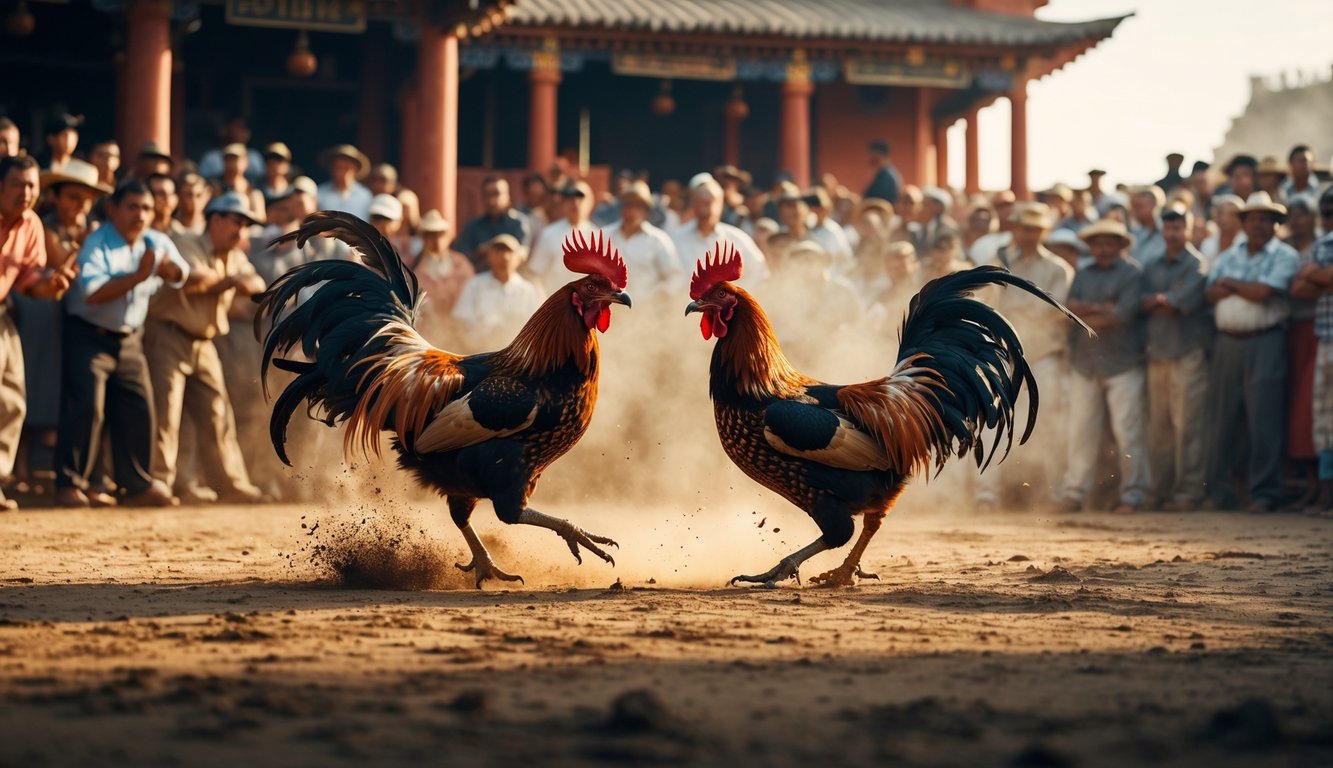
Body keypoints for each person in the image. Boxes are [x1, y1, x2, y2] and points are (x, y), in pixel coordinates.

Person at [55, 179, 193, 508]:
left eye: (146, 208)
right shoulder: (97, 242)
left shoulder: (156, 240)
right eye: (132, 207)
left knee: (138, 407)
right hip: (89, 335)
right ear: (113, 209)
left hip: (130, 338)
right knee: (87, 407)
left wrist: (168, 269)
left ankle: (135, 486)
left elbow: (181, 274)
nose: (141, 214)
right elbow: (92, 293)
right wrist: (138, 276)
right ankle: (71, 485)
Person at [149, 191, 267, 503]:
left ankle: (231, 484)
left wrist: (229, 279)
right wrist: (230, 281)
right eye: (235, 222)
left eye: (244, 224)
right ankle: (159, 481)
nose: (240, 230)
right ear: (214, 219)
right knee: (167, 412)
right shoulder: (187, 242)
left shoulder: (233, 255)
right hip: (168, 335)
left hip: (204, 342)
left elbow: (257, 285)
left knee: (218, 413)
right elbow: (192, 280)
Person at [1204, 192, 1301, 512]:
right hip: (1227, 342)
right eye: (1253, 218)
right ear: (1243, 222)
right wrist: (1240, 286)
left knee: (1264, 420)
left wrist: (1231, 284)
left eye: (1266, 218)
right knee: (1222, 420)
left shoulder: (1285, 255)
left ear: (1276, 223)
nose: (1259, 224)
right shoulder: (1231, 253)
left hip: (1266, 340)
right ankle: (1220, 491)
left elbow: (1264, 293)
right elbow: (1210, 293)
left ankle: (1265, 493)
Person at [973, 203, 1074, 511]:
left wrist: (1011, 312)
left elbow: (1052, 312)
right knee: (992, 422)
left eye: (1035, 229)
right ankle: (986, 493)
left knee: (1049, 424)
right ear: (1015, 228)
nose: (1029, 234)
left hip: (1044, 355)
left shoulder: (1058, 269)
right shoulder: (997, 263)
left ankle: (1054, 492)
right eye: (1025, 227)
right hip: (1004, 355)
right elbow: (984, 307)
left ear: (1043, 232)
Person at [0, 155, 82, 510]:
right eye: (18, 184)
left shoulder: (31, 224)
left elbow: (28, 282)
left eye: (32, 185)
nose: (27, 192)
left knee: (12, 399)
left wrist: (52, 284)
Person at [1056, 219, 1150, 515]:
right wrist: (1102, 307)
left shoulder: (1132, 272)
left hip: (1123, 363)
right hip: (1086, 363)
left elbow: (1121, 317)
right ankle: (1074, 492)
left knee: (1128, 431)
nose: (1104, 248)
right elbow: (1069, 308)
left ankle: (1134, 494)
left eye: (1110, 242)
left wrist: (1088, 310)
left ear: (1121, 245)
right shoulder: (1083, 273)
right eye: (1098, 243)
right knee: (1079, 431)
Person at [1140, 204, 1211, 509]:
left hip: (1187, 354)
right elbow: (1139, 303)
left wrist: (1162, 300)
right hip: (1158, 354)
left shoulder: (1197, 264)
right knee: (1159, 428)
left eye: (1178, 227)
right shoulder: (1152, 263)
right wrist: (1164, 299)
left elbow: (1183, 303)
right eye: (1168, 228)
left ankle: (1189, 491)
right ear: (1162, 229)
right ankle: (1159, 489)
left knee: (1188, 426)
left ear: (1189, 228)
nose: (1173, 233)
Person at [1291, 188, 1333, 515]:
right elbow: (1298, 286)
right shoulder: (1321, 245)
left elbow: (1310, 279)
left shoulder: (1318, 251)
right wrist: (1321, 278)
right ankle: (1325, 490)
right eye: (1327, 211)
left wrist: (1316, 276)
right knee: (1322, 418)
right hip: (1325, 338)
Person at [1282, 195, 1320, 508]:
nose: (1296, 220)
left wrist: (1310, 280)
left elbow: (1299, 289)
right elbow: (1295, 288)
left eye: (1302, 214)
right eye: (1291, 215)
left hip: (1316, 331)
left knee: (1312, 409)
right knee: (1293, 408)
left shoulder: (1320, 247)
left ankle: (1318, 484)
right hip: (1288, 332)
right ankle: (1306, 484)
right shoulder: (1285, 250)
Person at [670, 176, 767, 289]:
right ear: (693, 203)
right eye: (703, 201)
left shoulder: (737, 239)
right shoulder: (676, 239)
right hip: (684, 305)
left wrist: (737, 296)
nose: (709, 207)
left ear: (721, 205)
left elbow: (760, 271)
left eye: (713, 201)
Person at [452, 234, 543, 351]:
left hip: (517, 357)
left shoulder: (527, 290)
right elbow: (461, 322)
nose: (504, 256)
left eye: (509, 252)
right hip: (479, 355)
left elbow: (538, 329)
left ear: (518, 259)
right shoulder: (474, 285)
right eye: (498, 251)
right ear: (489, 256)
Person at [606, 181, 682, 301]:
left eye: (638, 206)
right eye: (628, 205)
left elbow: (675, 277)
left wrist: (660, 295)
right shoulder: (604, 236)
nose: (632, 211)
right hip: (610, 311)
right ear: (621, 207)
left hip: (647, 313)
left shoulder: (658, 240)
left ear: (646, 211)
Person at [526, 180, 598, 291]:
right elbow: (535, 274)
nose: (575, 203)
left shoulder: (598, 236)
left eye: (580, 198)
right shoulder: (548, 234)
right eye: (571, 199)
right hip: (554, 302)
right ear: (564, 203)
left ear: (590, 202)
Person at [411, 209, 473, 331]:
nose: (436, 240)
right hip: (430, 330)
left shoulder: (461, 264)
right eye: (430, 235)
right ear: (424, 238)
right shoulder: (416, 269)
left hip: (459, 327)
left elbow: (471, 293)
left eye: (440, 234)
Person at [453, 176, 531, 271]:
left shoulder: (518, 223)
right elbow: (460, 257)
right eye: (487, 195)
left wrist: (491, 250)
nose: (492, 201)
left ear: (508, 196)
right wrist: (478, 253)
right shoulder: (473, 226)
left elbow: (522, 254)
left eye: (496, 194)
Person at [196, 117, 264, 184]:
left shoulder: (254, 157)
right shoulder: (211, 158)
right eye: (232, 128)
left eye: (239, 128)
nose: (235, 132)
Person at [315, 144, 372, 220]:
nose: (341, 171)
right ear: (331, 168)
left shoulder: (366, 196)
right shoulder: (319, 193)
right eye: (338, 167)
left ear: (355, 168)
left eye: (346, 167)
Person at [215, 143, 266, 226]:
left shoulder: (253, 190)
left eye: (235, 159)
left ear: (245, 162)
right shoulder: (215, 188)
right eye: (228, 159)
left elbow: (261, 219)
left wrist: (243, 215)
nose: (232, 163)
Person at [367, 163, 420, 235]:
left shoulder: (404, 198)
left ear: (393, 184)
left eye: (382, 181)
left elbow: (415, 225)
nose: (378, 185)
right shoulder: (366, 195)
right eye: (375, 180)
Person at [1128, 185, 1165, 265]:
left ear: (1153, 205)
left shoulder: (1167, 232)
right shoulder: (1133, 233)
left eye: (1139, 206)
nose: (1134, 211)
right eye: (1133, 206)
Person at [863, 139, 901, 204]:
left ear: (879, 154)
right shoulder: (882, 173)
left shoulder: (887, 176)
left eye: (872, 153)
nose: (870, 157)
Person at [174, 172, 210, 236]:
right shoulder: (170, 227)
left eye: (199, 195)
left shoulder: (211, 229)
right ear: (179, 197)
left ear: (206, 197)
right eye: (189, 195)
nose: (194, 200)